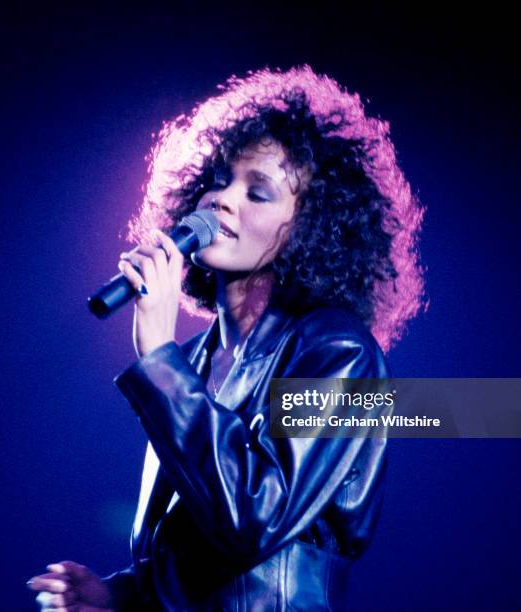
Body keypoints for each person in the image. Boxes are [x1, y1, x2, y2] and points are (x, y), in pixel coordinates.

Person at [27, 65, 425, 611]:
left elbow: (254, 519)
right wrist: (117, 596)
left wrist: (159, 358)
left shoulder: (338, 351)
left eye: (258, 193)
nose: (223, 199)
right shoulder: (193, 361)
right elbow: (195, 547)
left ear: (312, 227)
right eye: (218, 179)